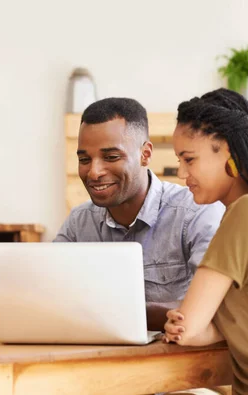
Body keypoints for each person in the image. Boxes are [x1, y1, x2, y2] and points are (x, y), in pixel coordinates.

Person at [163, 88, 248, 394]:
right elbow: (206, 330)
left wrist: (184, 325)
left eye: (189, 159)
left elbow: (190, 327)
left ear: (227, 151)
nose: (182, 173)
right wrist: (184, 326)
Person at [54, 98, 225, 330]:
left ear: (145, 154)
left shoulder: (195, 213)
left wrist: (115, 312)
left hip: (177, 360)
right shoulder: (79, 222)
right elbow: (49, 295)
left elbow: (217, 307)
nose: (94, 172)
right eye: (84, 160)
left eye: (111, 157)